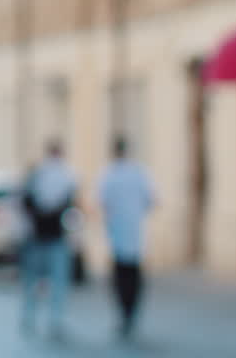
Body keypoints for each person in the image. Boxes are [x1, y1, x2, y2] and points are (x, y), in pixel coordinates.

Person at [20, 139, 78, 340]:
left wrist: (39, 215)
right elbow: (69, 202)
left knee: (34, 280)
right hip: (53, 235)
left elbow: (26, 202)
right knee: (56, 280)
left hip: (39, 235)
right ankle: (53, 319)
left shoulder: (39, 174)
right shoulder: (62, 174)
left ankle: (31, 316)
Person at [98, 136, 155, 340]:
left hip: (118, 235)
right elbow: (151, 200)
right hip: (134, 235)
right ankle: (131, 313)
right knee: (134, 278)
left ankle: (124, 313)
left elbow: (102, 202)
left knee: (121, 278)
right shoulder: (138, 173)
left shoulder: (109, 174)